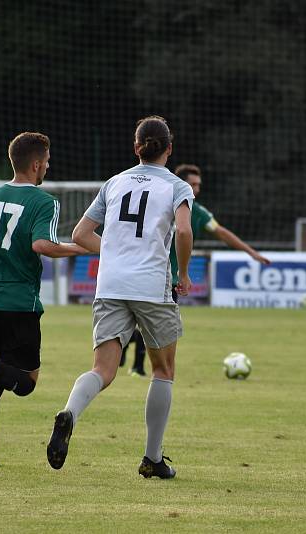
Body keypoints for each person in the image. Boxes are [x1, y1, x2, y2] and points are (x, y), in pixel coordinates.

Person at [47, 116, 194, 479]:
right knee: (163, 369)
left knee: (103, 369)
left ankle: (69, 413)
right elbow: (185, 230)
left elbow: (80, 234)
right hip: (150, 286)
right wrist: (184, 273)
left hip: (110, 284)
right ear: (169, 149)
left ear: (136, 148)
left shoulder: (115, 182)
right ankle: (152, 459)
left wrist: (114, 254)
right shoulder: (177, 187)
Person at [0, 132, 88, 467]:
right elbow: (42, 245)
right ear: (37, 164)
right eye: (48, 163)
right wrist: (82, 247)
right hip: (18, 302)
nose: (48, 168)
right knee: (26, 381)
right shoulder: (44, 202)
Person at [168, 163, 270, 296]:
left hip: (170, 280)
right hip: (159, 276)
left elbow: (222, 233)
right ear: (181, 184)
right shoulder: (164, 203)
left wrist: (251, 252)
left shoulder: (198, 212)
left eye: (198, 185)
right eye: (193, 184)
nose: (197, 189)